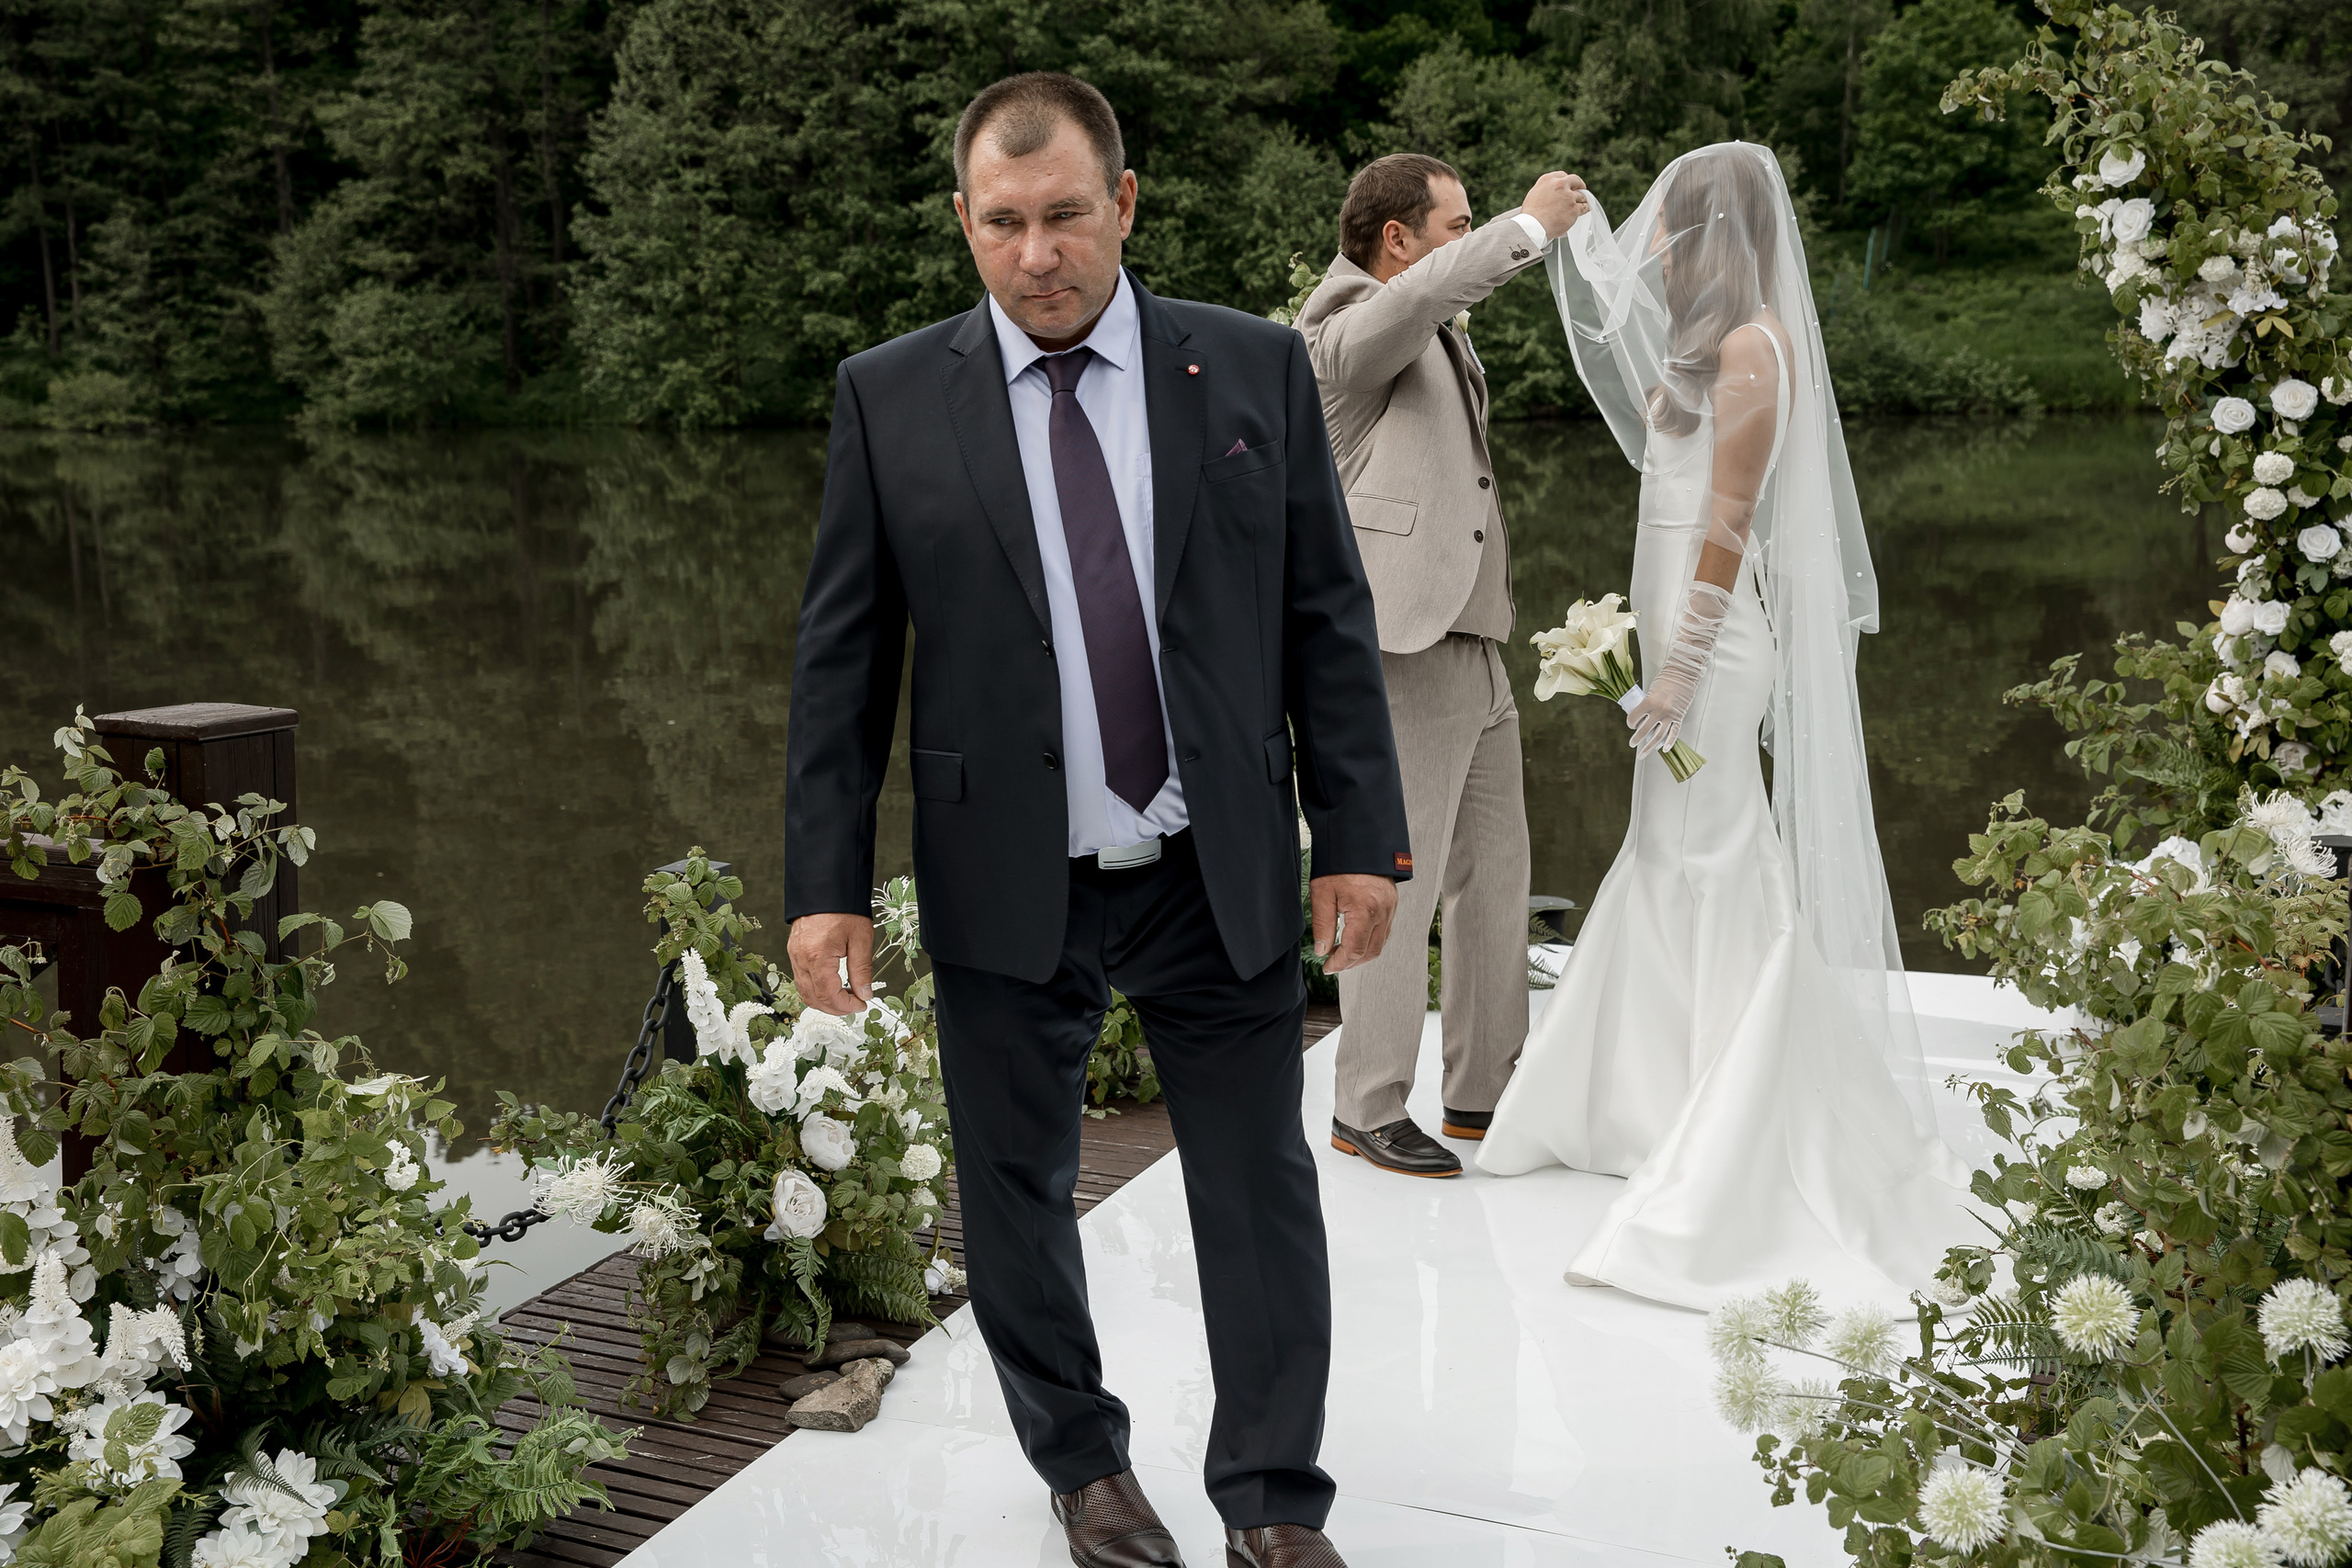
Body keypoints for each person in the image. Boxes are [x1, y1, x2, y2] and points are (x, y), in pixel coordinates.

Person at [782, 73, 1411, 1568]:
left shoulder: (1252, 370)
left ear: (1122, 204)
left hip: (1219, 859)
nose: (1037, 252)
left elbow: (1327, 613)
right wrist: (826, 883)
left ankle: (1272, 1495)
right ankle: (1083, 1469)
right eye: (1003, 223)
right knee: (1012, 1192)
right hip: (1010, 869)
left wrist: (1364, 834)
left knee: (1257, 1184)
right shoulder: (891, 395)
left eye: (1066, 215)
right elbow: (841, 659)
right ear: (965, 224)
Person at [1476, 143, 1973, 1310]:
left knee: (1711, 847)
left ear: (1710, 236)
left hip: (1710, 648)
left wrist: (1678, 676)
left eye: (1667, 221)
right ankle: (1653, 1097)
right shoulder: (1705, 345)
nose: (1651, 236)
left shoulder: (1754, 348)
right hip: (1661, 637)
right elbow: (1614, 315)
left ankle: (1733, 1107)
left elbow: (1730, 524)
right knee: (1663, 851)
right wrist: (1576, 234)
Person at [1293, 155, 1588, 1179]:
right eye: (1455, 224)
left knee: (1495, 884)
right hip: (1397, 653)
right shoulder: (1337, 329)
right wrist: (1525, 228)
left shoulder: (1420, 315)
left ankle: (1483, 1092)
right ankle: (1367, 1105)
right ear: (1396, 238)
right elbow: (1427, 299)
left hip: (1476, 648)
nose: (1468, 238)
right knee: (1392, 889)